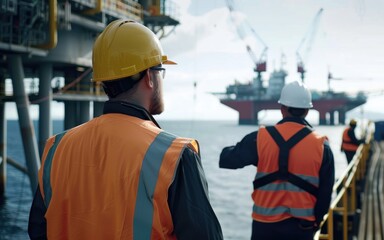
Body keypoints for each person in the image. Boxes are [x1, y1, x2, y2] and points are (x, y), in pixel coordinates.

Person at [28, 19, 223, 240]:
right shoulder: (175, 155)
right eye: (161, 71)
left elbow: (38, 230)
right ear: (149, 76)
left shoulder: (56, 148)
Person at [219, 81, 335, 240]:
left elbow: (226, 160)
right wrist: (316, 222)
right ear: (307, 111)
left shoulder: (260, 139)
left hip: (264, 227)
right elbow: (326, 192)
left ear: (282, 109)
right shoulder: (322, 145)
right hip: (302, 228)